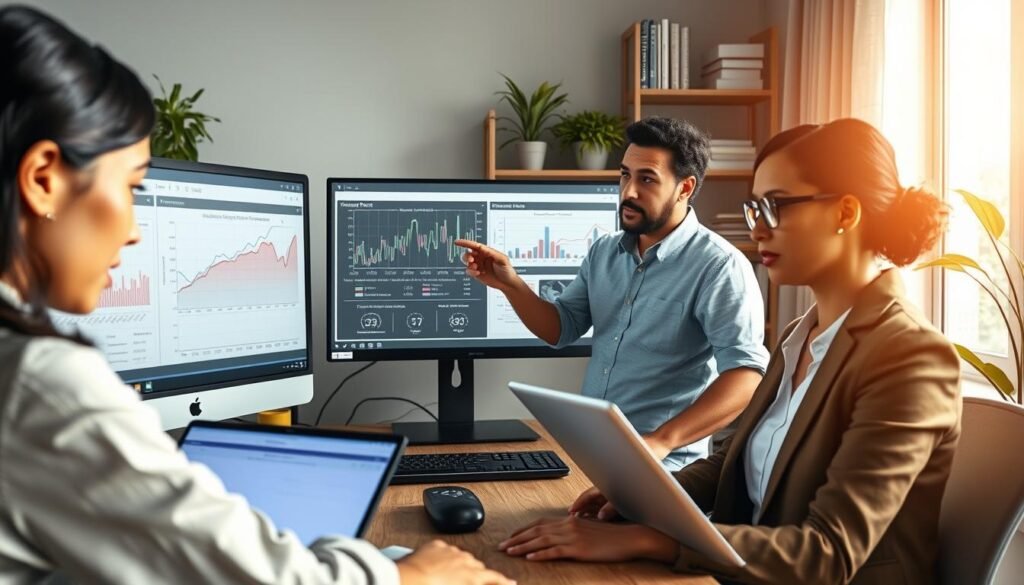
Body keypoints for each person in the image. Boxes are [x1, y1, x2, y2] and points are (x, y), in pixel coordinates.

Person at [0, 6, 512, 585]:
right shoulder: (37, 380)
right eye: (133, 186)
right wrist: (409, 576)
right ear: (43, 176)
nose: (135, 228)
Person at [498, 118, 961, 585]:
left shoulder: (910, 356)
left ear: (845, 214)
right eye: (754, 208)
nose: (758, 229)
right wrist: (642, 502)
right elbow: (737, 462)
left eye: (776, 206)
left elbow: (828, 557)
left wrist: (654, 539)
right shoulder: (803, 334)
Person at [458, 117, 769, 470]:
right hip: (592, 457)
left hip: (662, 469)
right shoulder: (604, 252)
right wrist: (510, 284)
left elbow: (746, 375)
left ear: (684, 188)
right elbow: (560, 329)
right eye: (625, 175)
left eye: (647, 179)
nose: (628, 192)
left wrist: (660, 441)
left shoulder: (719, 266)